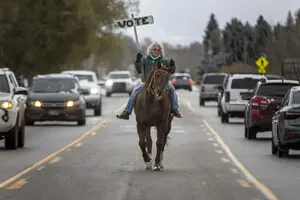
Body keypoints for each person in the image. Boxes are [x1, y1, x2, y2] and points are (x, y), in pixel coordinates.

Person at [116, 41, 183, 120]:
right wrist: (138, 61)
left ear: (160, 51)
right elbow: (139, 70)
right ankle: (127, 112)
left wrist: (172, 65)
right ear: (151, 50)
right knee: (135, 91)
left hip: (162, 84)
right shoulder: (144, 60)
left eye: (158, 50)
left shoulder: (164, 61)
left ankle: (175, 109)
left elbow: (172, 70)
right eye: (155, 49)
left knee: (172, 89)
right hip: (146, 83)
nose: (156, 51)